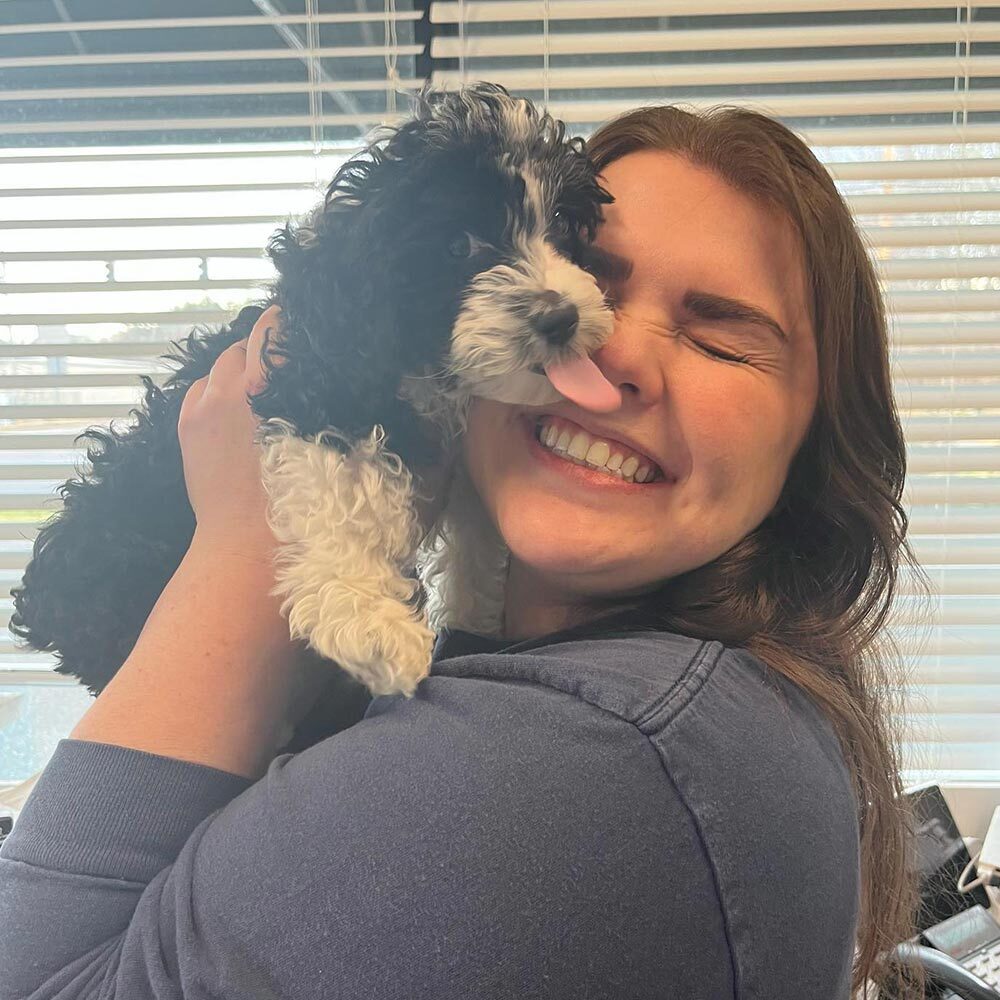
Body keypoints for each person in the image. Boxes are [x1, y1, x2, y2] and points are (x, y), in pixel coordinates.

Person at [0, 103, 930, 1000]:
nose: (608, 354)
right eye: (591, 276)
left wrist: (248, 539)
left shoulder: (599, 756)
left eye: (720, 336)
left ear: (817, 442)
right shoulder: (678, 702)